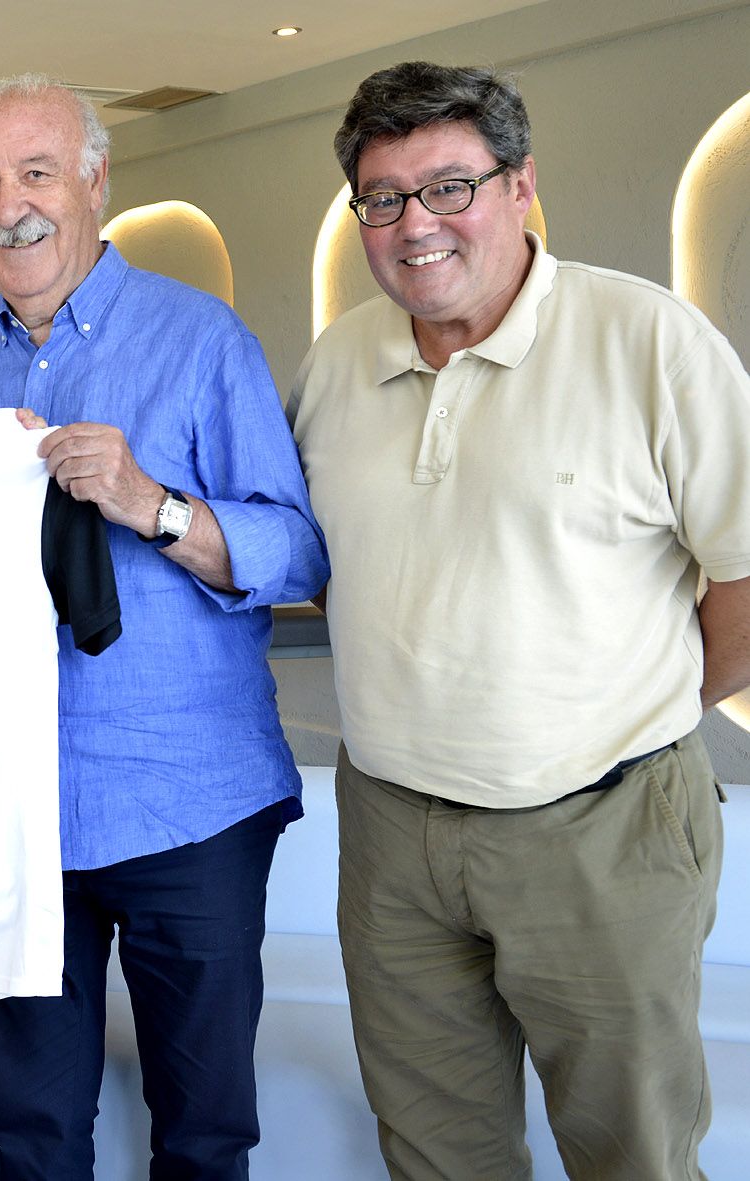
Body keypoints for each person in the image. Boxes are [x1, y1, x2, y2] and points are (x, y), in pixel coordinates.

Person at [288, 61, 750, 1181]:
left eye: (450, 186)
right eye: (383, 198)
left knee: (629, 1149)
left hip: (600, 823)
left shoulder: (650, 342)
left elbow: (743, 572)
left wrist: (642, 714)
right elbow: (315, 565)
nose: (415, 225)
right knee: (435, 1151)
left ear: (521, 185)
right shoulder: (339, 359)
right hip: (393, 830)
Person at [0, 73, 328, 1179]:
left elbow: (297, 550)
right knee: (30, 1127)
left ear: (95, 180)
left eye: (37, 172)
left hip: (185, 802)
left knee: (202, 1127)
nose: (11, 205)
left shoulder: (201, 340)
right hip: (11, 813)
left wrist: (152, 503)